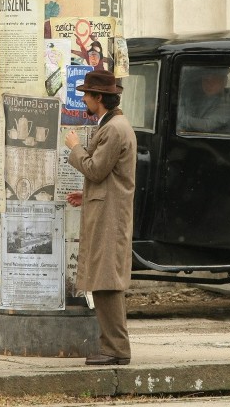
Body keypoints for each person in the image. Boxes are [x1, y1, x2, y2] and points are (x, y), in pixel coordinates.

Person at [64, 70, 137, 366]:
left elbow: (95, 169)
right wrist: (89, 194)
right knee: (105, 280)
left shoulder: (113, 129)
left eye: (87, 94)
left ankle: (116, 349)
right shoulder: (113, 124)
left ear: (99, 98)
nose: (83, 99)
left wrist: (74, 147)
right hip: (108, 212)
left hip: (111, 218)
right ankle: (113, 348)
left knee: (107, 282)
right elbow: (109, 175)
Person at [177, 66, 230, 135]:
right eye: (206, 80)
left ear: (224, 81)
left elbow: (207, 125)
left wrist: (181, 118)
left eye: (215, 80)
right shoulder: (200, 98)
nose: (209, 84)